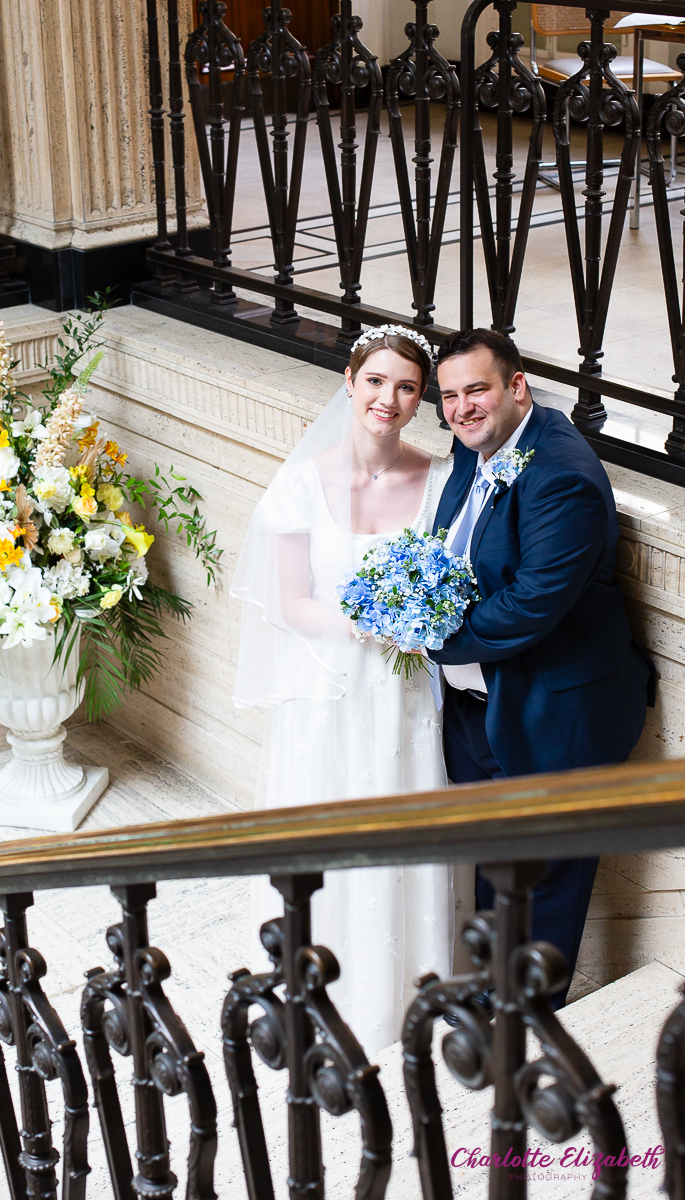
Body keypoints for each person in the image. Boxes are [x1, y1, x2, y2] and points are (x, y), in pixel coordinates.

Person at [231, 324, 456, 1054]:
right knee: (326, 832)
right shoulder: (300, 486)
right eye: (376, 382)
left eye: (407, 387)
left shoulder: (442, 482)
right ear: (349, 383)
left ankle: (404, 995)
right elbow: (291, 604)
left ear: (421, 400)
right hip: (325, 692)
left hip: (403, 693)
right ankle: (314, 988)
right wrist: (370, 620)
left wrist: (418, 616)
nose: (388, 399)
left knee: (401, 829)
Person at [428, 328, 655, 1007]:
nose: (462, 408)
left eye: (476, 390)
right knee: (501, 866)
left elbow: (533, 603)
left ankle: (530, 1030)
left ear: (516, 386)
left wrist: (428, 636)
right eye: (449, 396)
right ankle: (498, 999)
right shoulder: (478, 444)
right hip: (482, 706)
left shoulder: (562, 473)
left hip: (557, 712)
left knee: (548, 878)